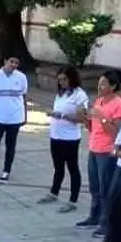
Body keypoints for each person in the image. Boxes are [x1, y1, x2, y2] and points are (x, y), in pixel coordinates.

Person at [77, 71, 121, 237]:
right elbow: (93, 128)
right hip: (94, 148)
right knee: (95, 186)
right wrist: (85, 118)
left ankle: (107, 223)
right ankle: (95, 216)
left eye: (104, 83)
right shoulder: (99, 101)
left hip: (107, 151)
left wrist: (103, 118)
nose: (99, 86)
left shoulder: (119, 105)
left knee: (106, 188)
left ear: (113, 86)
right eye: (99, 82)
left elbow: (117, 133)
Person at [37, 65, 88, 213]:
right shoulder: (60, 94)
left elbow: (81, 118)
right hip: (56, 135)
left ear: (71, 78)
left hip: (70, 138)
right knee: (58, 167)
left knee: (72, 168)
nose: (62, 82)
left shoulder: (79, 95)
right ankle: (54, 192)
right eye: (59, 80)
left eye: (64, 79)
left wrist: (62, 115)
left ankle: (73, 200)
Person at [0, 56, 28, 181]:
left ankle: (6, 170)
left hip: (15, 117)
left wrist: (25, 115)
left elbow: (24, 96)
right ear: (5, 61)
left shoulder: (21, 77)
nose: (14, 65)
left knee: (10, 145)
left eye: (16, 62)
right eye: (11, 61)